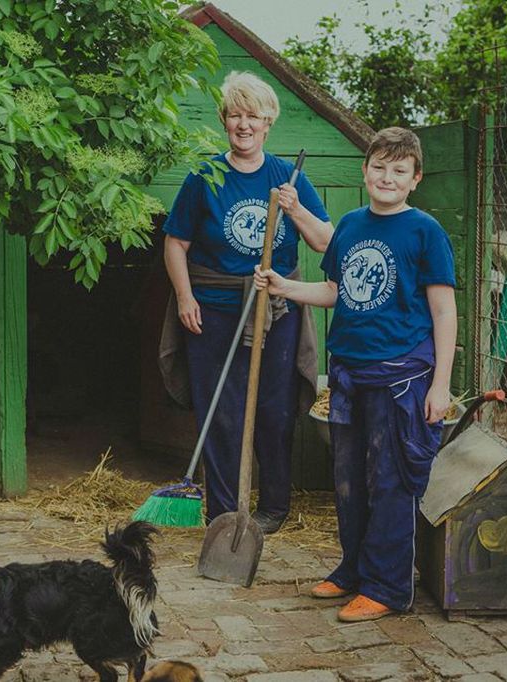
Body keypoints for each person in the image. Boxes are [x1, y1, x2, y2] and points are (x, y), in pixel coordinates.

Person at [254, 127, 457, 621]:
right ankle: (353, 570)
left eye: (399, 170)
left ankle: (388, 587)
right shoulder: (349, 224)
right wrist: (284, 286)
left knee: (390, 480)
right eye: (380, 167)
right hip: (349, 372)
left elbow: (444, 312)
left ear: (415, 179)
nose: (388, 177)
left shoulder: (424, 232)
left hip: (401, 377)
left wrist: (441, 383)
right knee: (348, 480)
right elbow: (334, 290)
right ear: (364, 171)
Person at [159, 71, 333, 534]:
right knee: (221, 411)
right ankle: (223, 512)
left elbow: (325, 242)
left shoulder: (287, 177)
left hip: (276, 311)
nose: (243, 124)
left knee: (274, 410)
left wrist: (295, 208)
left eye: (252, 115)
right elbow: (175, 242)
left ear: (268, 121)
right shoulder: (204, 176)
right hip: (213, 310)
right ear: (223, 121)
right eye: (235, 115)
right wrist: (184, 297)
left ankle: (273, 507)